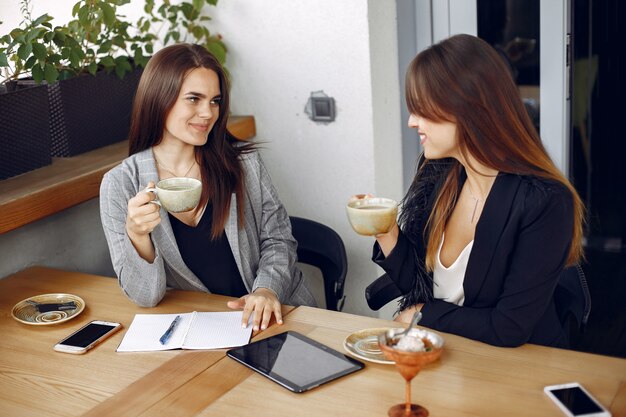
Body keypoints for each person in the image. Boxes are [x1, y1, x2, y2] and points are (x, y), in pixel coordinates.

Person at [369, 34, 585, 348]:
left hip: (523, 369)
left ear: (467, 107)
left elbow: (508, 328)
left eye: (421, 110)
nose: (411, 122)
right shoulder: (439, 175)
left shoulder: (545, 201)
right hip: (451, 356)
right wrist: (383, 227)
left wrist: (424, 314)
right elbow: (417, 285)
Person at [100, 43, 316, 332]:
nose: (208, 113)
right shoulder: (120, 184)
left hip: (276, 318)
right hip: (205, 331)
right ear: (158, 98)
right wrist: (138, 237)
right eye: (194, 99)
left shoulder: (243, 164)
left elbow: (279, 239)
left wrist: (267, 290)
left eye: (215, 101)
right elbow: (145, 298)